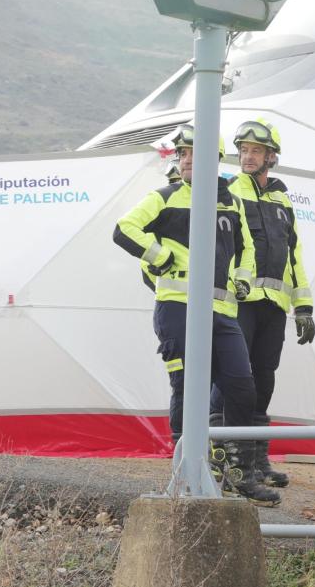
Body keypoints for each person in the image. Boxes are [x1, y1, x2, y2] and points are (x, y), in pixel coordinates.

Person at [112, 125, 277, 503]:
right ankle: (185, 471)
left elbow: (247, 249)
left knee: (241, 387)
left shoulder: (231, 202)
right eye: (182, 154)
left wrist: (242, 279)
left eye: (193, 154)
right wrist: (162, 256)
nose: (186, 159)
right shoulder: (166, 197)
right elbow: (124, 229)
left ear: (214, 162)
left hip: (222, 311)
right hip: (177, 308)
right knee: (187, 386)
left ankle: (236, 471)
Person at [210, 117, 315, 495]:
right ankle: (222, 456)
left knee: (264, 378)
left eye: (256, 151)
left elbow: (294, 256)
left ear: (271, 156)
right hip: (239, 301)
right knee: (231, 377)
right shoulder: (228, 189)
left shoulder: (282, 199)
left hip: (274, 304)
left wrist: (304, 306)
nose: (248, 157)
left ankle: (255, 459)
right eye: (244, 151)